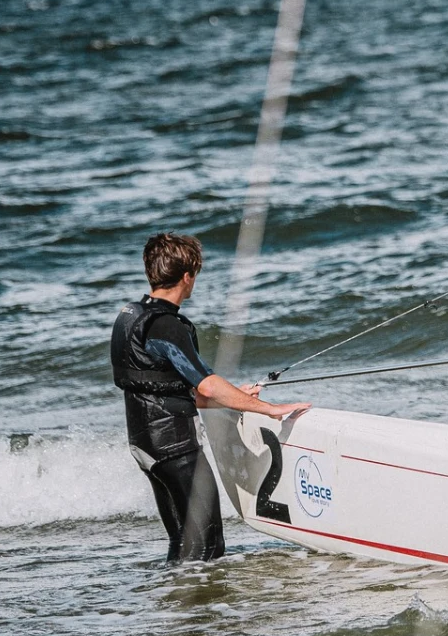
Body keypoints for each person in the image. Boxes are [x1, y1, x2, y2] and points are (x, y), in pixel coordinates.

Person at [110, 233, 308, 561]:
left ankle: (174, 592)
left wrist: (236, 396)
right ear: (188, 277)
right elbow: (207, 386)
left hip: (146, 446)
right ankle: (199, 596)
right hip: (175, 449)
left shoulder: (130, 317)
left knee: (182, 542)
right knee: (208, 545)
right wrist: (269, 409)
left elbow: (168, 387)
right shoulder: (167, 325)